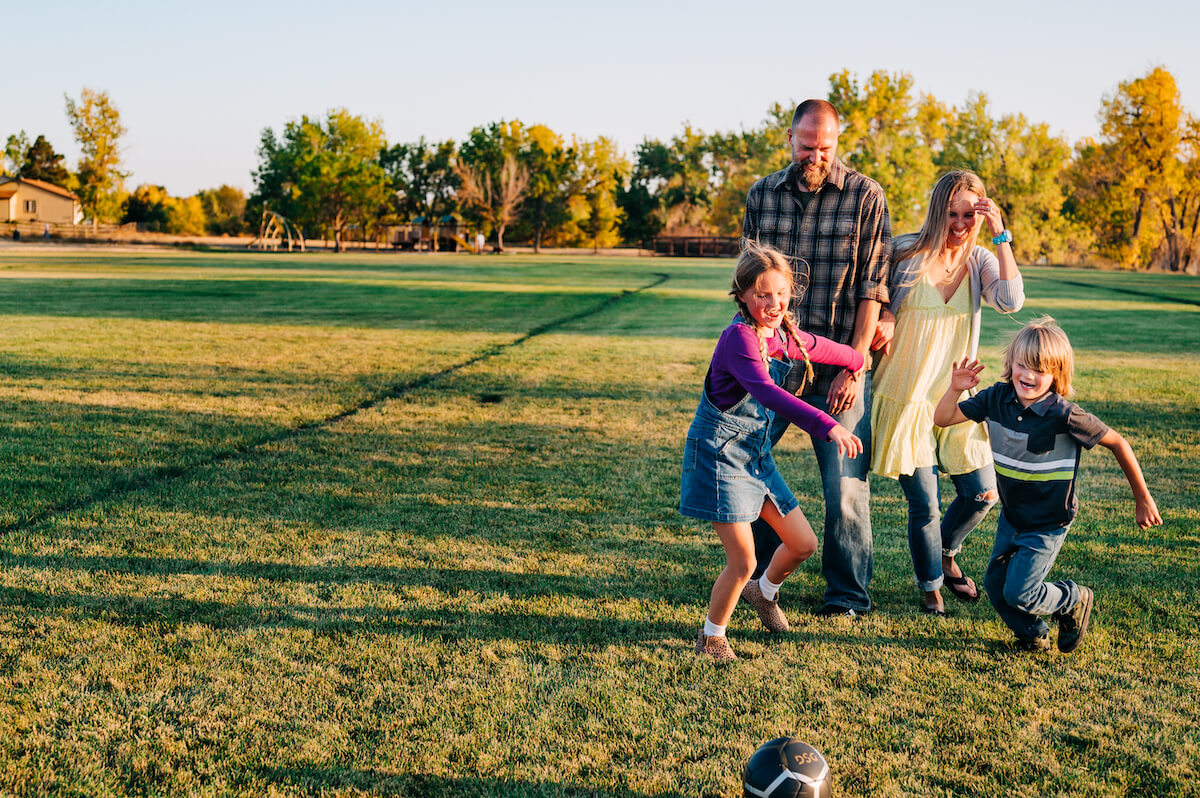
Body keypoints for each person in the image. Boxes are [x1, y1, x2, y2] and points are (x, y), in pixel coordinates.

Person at [742, 99, 892, 617]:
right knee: (747, 465)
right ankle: (760, 578)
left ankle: (847, 596)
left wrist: (855, 365)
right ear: (790, 139)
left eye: (825, 147)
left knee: (845, 486)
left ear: (837, 142)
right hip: (773, 364)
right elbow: (748, 284)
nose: (816, 156)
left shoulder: (866, 196)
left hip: (836, 367)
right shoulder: (762, 195)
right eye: (807, 146)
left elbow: (873, 288)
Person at [683, 242, 865, 661]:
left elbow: (830, 349)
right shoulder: (739, 339)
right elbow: (768, 393)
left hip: (755, 458)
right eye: (762, 294)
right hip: (720, 457)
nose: (774, 303)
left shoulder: (784, 336)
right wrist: (829, 425)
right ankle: (711, 637)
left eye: (781, 293)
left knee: (802, 544)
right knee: (743, 560)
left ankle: (763, 594)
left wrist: (856, 363)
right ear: (743, 295)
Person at [934, 319, 1162, 651]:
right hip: (1012, 517)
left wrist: (1142, 498)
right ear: (1010, 363)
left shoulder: (1065, 414)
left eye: (1040, 370)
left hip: (1048, 521)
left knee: (1021, 592)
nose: (1028, 375)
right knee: (996, 586)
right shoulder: (995, 398)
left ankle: (1072, 598)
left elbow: (1117, 443)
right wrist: (955, 388)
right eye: (1022, 364)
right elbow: (943, 418)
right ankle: (1033, 634)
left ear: (1056, 375)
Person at [871, 171, 1023, 615]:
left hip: (957, 398)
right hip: (907, 396)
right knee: (926, 504)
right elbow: (871, 294)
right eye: (952, 214)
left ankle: (945, 552)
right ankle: (931, 588)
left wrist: (999, 233)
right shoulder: (905, 252)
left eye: (969, 216)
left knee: (983, 492)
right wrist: (886, 312)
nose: (960, 225)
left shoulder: (980, 260)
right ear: (938, 211)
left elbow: (1011, 300)